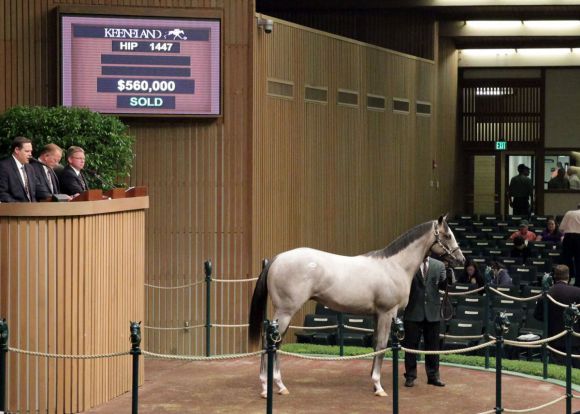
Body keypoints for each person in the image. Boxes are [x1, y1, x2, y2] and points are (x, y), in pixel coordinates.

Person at [403, 256, 447, 388]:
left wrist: (447, 277)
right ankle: (410, 375)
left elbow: (444, 287)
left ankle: (433, 376)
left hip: (433, 312)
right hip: (412, 311)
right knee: (410, 347)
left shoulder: (439, 265)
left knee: (433, 347)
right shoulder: (410, 263)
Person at [533, 265, 580, 368]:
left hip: (554, 340)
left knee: (560, 375)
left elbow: (537, 316)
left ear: (554, 276)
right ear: (568, 276)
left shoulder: (547, 293)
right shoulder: (578, 292)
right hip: (576, 339)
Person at [0, 136, 42, 202]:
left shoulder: (30, 168)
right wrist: (20, 206)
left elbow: (37, 189)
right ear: (17, 150)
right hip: (15, 210)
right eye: (27, 151)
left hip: (32, 209)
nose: (30, 154)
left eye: (31, 151)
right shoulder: (3, 167)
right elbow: (2, 193)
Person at [560, 204, 580, 287]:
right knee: (579, 261)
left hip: (568, 237)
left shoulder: (569, 213)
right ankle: (578, 283)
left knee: (566, 260)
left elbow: (561, 228)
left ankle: (564, 281)